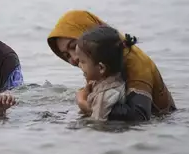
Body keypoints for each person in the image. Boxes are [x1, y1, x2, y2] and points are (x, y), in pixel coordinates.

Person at [48, 10, 176, 121]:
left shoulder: (136, 63)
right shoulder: (99, 63)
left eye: (73, 46)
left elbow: (139, 115)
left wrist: (87, 106)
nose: (74, 58)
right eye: (67, 55)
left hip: (164, 122)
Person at [75, 25, 130, 121]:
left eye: (82, 61)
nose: (79, 65)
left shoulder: (105, 96)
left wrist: (83, 104)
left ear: (101, 68)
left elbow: (97, 125)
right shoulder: (104, 82)